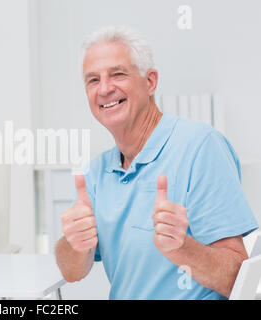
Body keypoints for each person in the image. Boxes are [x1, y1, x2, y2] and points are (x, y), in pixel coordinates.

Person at [55, 26, 259, 299]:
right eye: (93, 80)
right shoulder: (95, 174)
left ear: (150, 82)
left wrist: (181, 247)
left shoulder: (201, 147)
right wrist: (73, 244)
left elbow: (238, 279)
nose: (104, 88)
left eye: (118, 74)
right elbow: (72, 272)